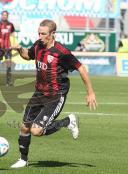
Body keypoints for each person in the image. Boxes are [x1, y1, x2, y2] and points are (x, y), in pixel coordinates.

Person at [10, 19, 97, 168]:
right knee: (25, 127)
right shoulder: (38, 45)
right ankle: (23, 160)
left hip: (56, 95)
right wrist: (19, 49)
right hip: (39, 92)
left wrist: (90, 93)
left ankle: (67, 121)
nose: (40, 36)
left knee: (36, 130)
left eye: (43, 34)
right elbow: (27, 55)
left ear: (53, 34)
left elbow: (81, 69)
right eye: (39, 33)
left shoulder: (62, 52)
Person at [0, 10, 15, 86]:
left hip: (8, 47)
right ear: (1, 16)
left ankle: (8, 82)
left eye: (6, 15)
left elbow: (13, 34)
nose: (4, 16)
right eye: (3, 15)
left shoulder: (11, 25)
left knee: (8, 64)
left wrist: (13, 42)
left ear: (7, 16)